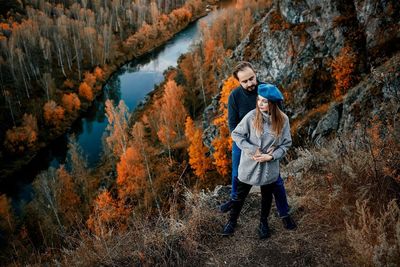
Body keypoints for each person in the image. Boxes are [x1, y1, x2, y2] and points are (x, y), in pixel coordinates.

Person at [219, 61, 296, 231]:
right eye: (244, 81)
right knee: (238, 175)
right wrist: (249, 148)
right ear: (239, 82)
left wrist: (273, 149)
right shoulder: (235, 96)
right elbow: (233, 126)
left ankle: (284, 213)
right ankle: (235, 201)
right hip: (245, 139)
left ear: (255, 73)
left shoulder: (267, 91)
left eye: (252, 78)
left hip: (268, 142)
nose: (250, 84)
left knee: (275, 181)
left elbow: (278, 120)